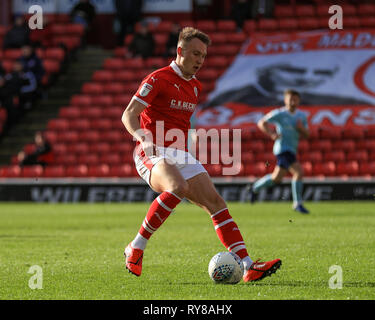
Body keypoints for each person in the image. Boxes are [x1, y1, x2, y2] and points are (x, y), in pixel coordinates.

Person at [121, 26, 281, 282]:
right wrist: (143, 137)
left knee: (216, 204)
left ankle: (249, 266)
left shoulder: (195, 87)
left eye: (203, 56)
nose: (199, 60)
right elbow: (128, 114)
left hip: (179, 153)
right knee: (176, 187)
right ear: (180, 51)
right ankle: (136, 246)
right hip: (150, 150)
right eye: (195, 53)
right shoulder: (157, 79)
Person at [248, 89, 310, 214]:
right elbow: (262, 122)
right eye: (290, 99)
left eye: (295, 99)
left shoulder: (301, 116)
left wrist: (300, 129)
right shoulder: (280, 114)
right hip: (282, 149)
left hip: (292, 149)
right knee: (298, 172)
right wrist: (271, 133)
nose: (293, 101)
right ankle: (297, 203)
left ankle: (254, 188)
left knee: (277, 178)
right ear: (285, 100)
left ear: (299, 101)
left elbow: (307, 134)